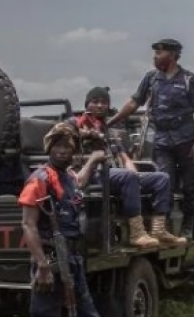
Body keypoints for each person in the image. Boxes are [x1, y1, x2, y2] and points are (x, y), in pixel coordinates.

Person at [18, 122, 103, 317]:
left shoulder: (68, 177)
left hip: (74, 259)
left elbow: (81, 180)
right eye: (58, 146)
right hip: (51, 260)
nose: (63, 151)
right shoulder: (40, 179)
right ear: (49, 148)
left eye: (68, 146)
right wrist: (42, 266)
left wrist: (95, 160)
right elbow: (28, 224)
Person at [105, 38, 194, 241]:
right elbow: (134, 102)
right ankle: (163, 228)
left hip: (186, 139)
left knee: (190, 187)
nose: (155, 57)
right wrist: (110, 121)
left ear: (172, 55)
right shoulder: (151, 78)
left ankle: (188, 228)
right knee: (164, 182)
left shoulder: (188, 79)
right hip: (162, 140)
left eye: (159, 53)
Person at [68, 86, 186, 249]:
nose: (100, 106)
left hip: (109, 174)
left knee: (161, 178)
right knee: (127, 176)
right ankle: (137, 233)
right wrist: (88, 134)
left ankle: (159, 229)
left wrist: (133, 171)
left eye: (104, 102)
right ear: (87, 104)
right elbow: (62, 136)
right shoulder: (74, 122)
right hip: (90, 174)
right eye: (95, 102)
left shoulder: (107, 130)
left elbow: (124, 157)